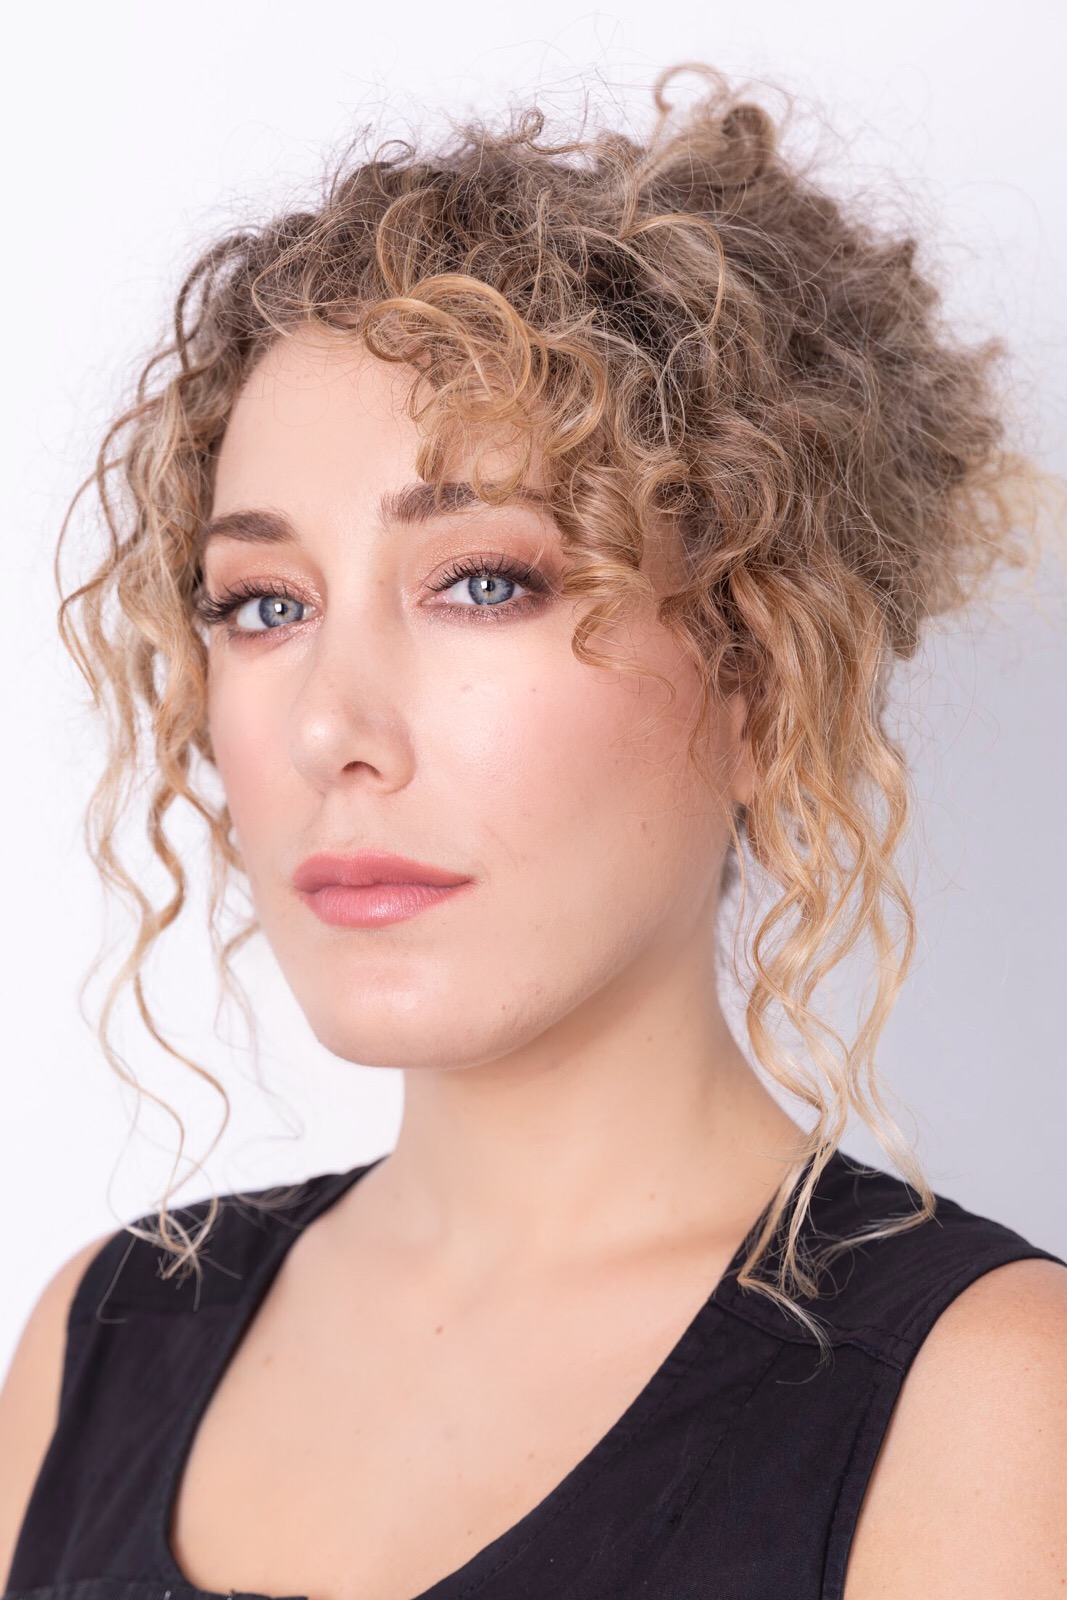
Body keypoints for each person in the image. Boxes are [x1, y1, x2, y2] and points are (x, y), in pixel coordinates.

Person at [1, 63, 1064, 1600]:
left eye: (484, 582)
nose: (330, 729)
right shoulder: (97, 1344)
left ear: (764, 676)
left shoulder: (983, 1403)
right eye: (265, 604)